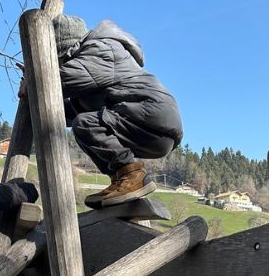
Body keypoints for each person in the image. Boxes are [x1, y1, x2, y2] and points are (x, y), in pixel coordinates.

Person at [52, 14, 183, 208]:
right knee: (85, 121)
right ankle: (124, 180)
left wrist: (34, 80)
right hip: (153, 124)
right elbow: (68, 110)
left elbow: (54, 83)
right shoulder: (93, 68)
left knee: (85, 124)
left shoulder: (100, 50)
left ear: (67, 48)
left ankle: (131, 174)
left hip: (151, 115)